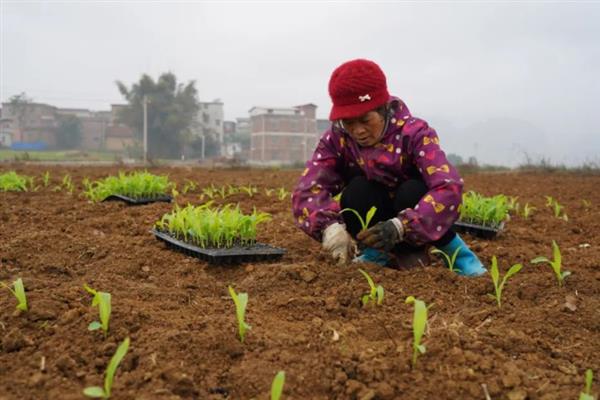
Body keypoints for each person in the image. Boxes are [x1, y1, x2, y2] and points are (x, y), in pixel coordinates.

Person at [291, 59, 486, 276]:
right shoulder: (337, 139)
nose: (358, 131)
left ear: (383, 108)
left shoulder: (414, 133)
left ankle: (456, 253)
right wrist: (329, 227)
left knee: (411, 190)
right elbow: (308, 189)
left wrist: (401, 226)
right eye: (349, 123)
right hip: (375, 223)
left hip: (415, 217)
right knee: (357, 191)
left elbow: (448, 186)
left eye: (365, 120)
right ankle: (376, 254)